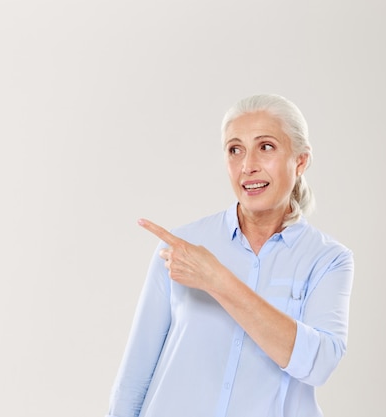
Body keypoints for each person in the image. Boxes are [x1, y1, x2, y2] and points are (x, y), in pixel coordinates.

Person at [105, 94, 354, 417]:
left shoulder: (328, 260)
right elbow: (134, 376)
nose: (247, 166)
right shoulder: (182, 246)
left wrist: (216, 279)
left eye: (265, 147)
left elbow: (318, 364)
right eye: (235, 150)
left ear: (301, 161)